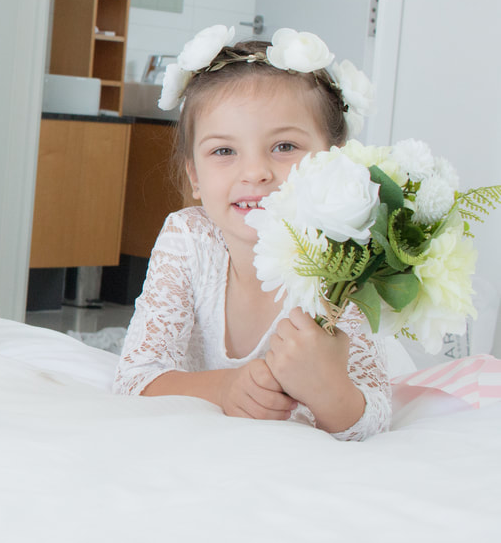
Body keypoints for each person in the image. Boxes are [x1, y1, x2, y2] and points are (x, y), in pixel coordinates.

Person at [112, 25, 391, 441]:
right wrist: (227, 389)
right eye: (224, 151)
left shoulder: (341, 263)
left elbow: (375, 418)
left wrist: (329, 392)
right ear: (195, 176)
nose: (256, 172)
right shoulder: (189, 238)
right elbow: (133, 380)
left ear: (333, 159)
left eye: (284, 147)